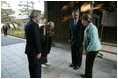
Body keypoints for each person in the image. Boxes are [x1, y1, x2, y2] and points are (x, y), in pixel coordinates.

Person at [24, 10, 42, 78]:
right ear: (35, 16)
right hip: (34, 51)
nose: (40, 18)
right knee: (36, 69)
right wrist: (39, 52)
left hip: (29, 50)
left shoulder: (27, 24)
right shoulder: (34, 25)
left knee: (32, 68)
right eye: (39, 16)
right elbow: (36, 39)